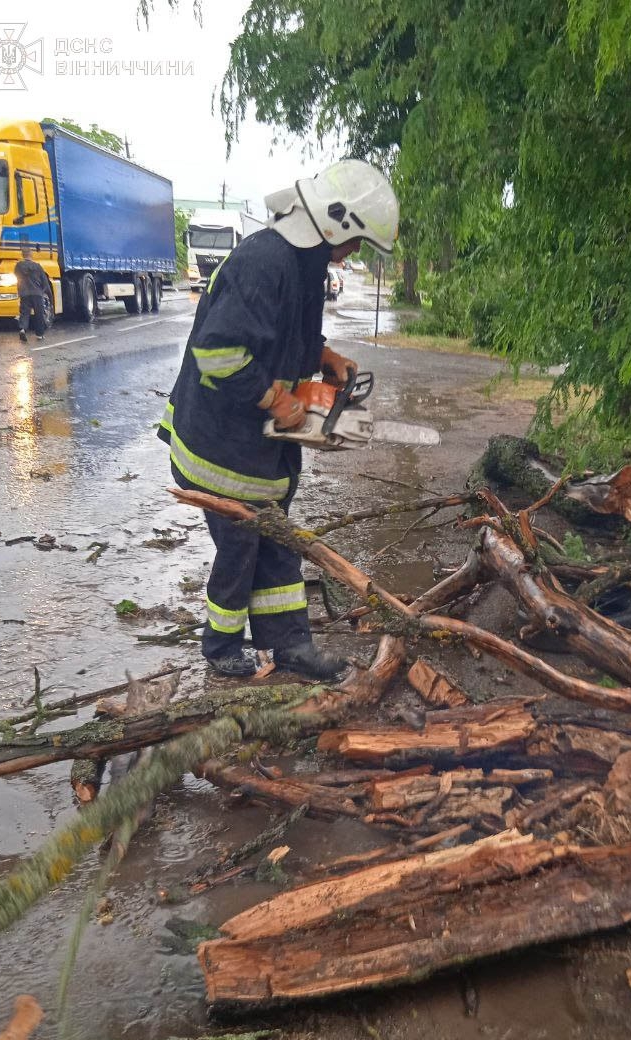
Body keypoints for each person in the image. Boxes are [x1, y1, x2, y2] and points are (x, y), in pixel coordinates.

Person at [158, 159, 399, 680]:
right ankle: (221, 649)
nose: (354, 254)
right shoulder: (264, 261)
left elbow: (283, 334)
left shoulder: (303, 265)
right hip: (219, 443)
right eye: (355, 242)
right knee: (243, 546)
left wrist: (324, 356)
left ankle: (289, 645)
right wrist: (272, 397)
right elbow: (217, 351)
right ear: (334, 223)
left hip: (255, 446)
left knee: (275, 541)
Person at [15, 247, 51, 342]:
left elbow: (17, 277)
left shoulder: (18, 266)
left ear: (23, 255)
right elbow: (45, 282)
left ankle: (23, 329)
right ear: (31, 255)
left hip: (24, 293)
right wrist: (44, 291)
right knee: (39, 314)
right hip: (37, 293)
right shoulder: (37, 266)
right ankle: (39, 334)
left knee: (24, 313)